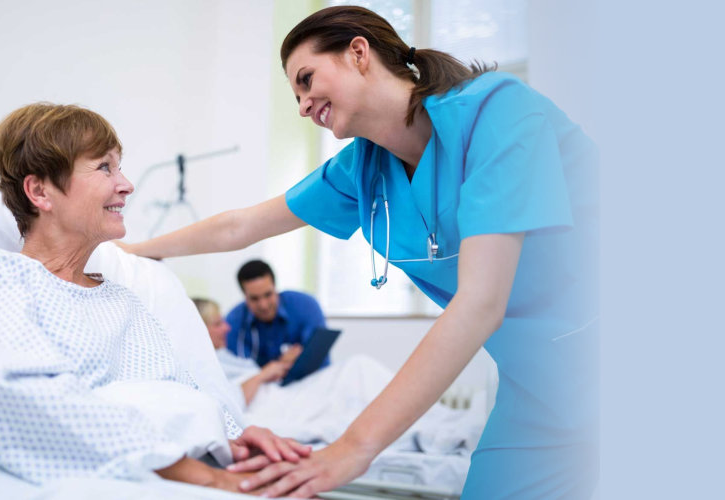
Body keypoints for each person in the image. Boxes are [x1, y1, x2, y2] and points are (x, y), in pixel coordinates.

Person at [122, 6, 599, 499]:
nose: (303, 105)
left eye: (307, 80)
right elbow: (242, 226)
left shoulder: (497, 114)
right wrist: (136, 252)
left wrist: (352, 447)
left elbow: (480, 302)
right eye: (296, 96)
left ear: (357, 52)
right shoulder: (363, 171)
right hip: (536, 389)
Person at [0, 103, 306, 493]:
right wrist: (205, 477)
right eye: (104, 167)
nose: (127, 184)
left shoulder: (123, 302)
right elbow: (22, 410)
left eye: (119, 166)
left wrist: (236, 443)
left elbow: (183, 393)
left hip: (167, 472)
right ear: (40, 191)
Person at [225, 260, 330, 372]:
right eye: (254, 298)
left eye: (268, 294)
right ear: (244, 296)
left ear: (275, 287)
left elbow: (318, 359)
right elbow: (241, 374)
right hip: (263, 388)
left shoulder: (306, 306)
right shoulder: (233, 322)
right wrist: (281, 364)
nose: (263, 305)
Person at [194, 297, 298, 406]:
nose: (227, 328)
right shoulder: (203, 367)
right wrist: (262, 375)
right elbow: (231, 403)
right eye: (218, 324)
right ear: (199, 329)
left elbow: (249, 373)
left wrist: (281, 364)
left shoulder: (221, 354)